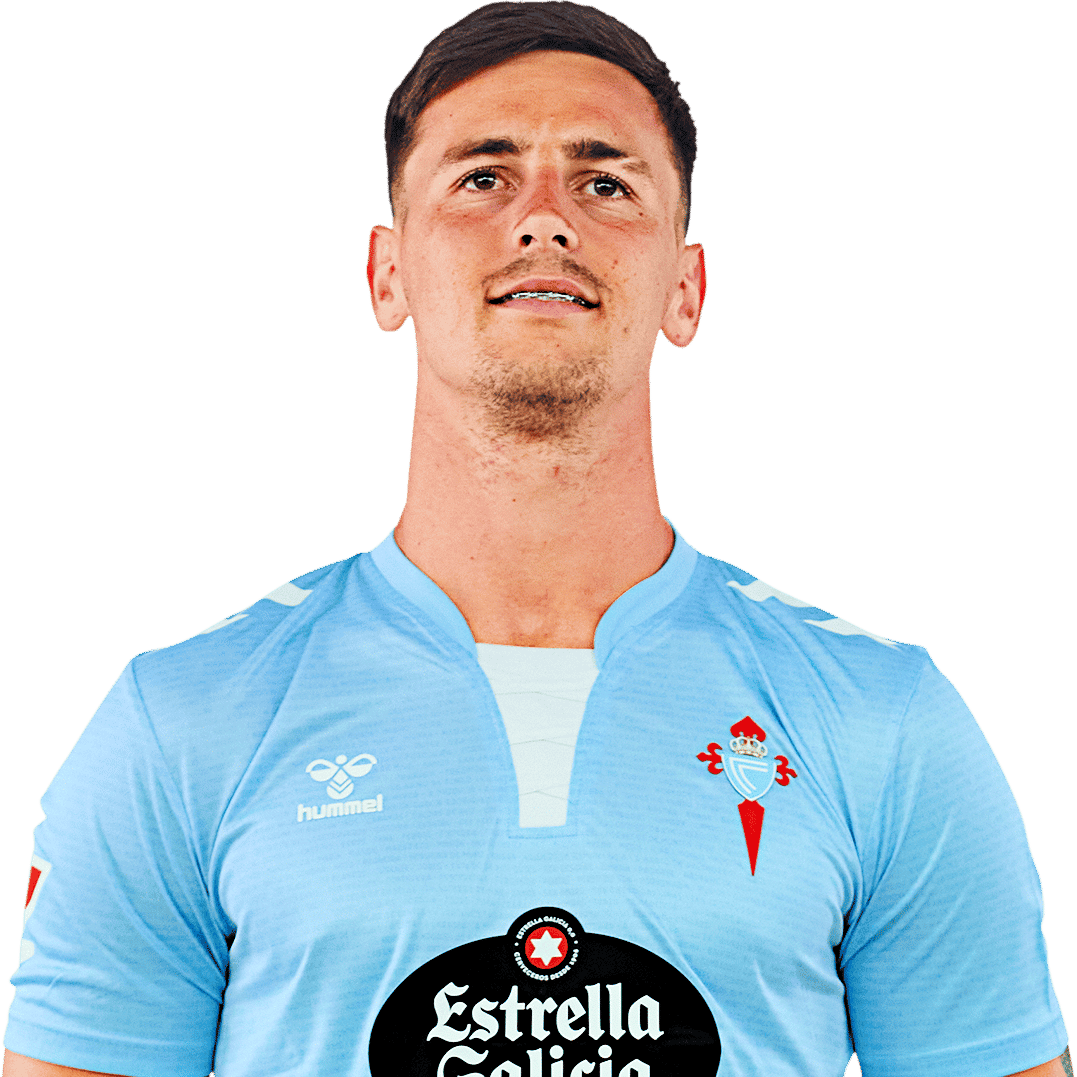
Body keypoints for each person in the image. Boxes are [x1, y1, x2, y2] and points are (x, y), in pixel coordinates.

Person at [2, 3, 1069, 1075]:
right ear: (387, 274)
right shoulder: (183, 721)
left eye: (605, 183)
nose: (544, 219)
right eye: (483, 177)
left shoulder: (884, 720)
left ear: (686, 289)